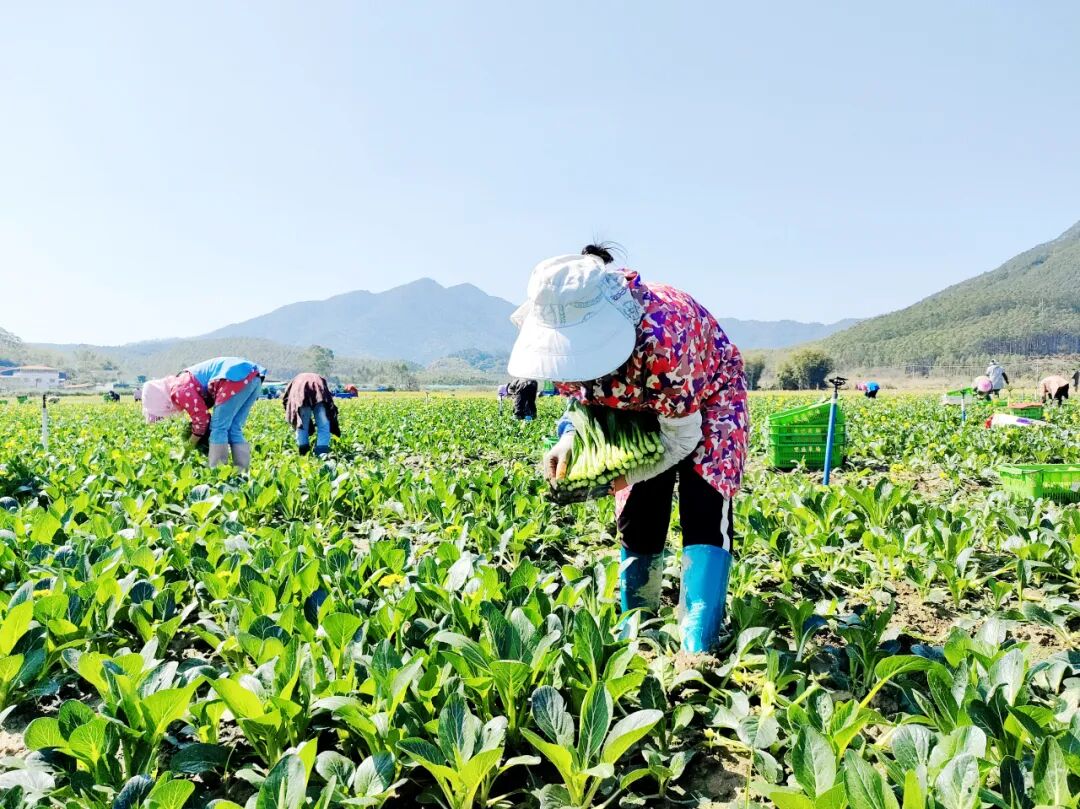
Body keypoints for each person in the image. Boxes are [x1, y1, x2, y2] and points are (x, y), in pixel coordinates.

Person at [510, 245, 748, 653]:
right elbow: (584, 400)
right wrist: (569, 438)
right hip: (636, 402)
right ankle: (638, 623)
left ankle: (698, 640)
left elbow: (680, 439)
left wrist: (622, 475)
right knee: (639, 513)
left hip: (708, 399)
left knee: (704, 506)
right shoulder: (565, 337)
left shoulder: (662, 339)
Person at [141, 357, 264, 469]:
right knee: (234, 428)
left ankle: (217, 470)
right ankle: (242, 472)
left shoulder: (179, 389)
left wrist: (187, 449)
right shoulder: (181, 380)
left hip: (231, 378)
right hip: (252, 376)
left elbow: (202, 420)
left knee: (218, 428)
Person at [282, 372, 340, 455]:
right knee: (323, 425)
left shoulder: (295, 381)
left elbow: (286, 398)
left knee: (302, 425)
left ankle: (304, 453)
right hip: (319, 396)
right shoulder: (318, 378)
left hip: (301, 397)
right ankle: (322, 454)